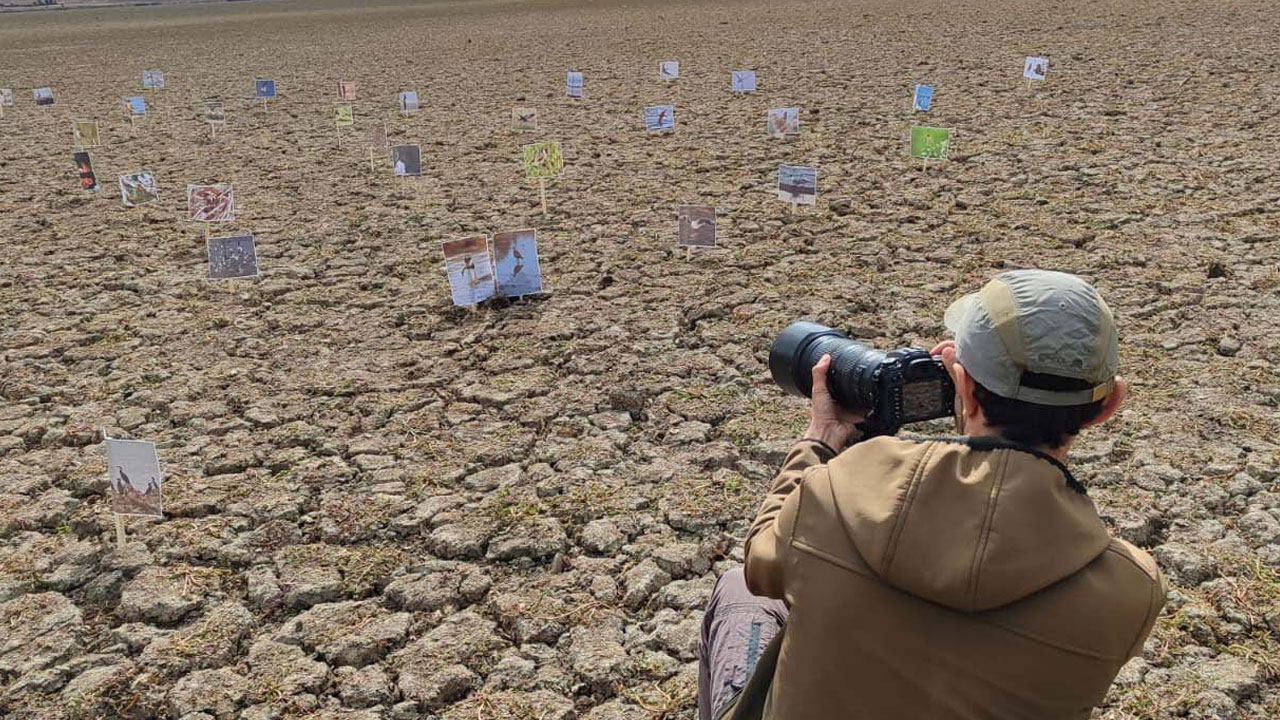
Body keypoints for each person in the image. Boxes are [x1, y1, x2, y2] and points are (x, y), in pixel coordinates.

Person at [698, 270, 1166, 720]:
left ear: (964, 385)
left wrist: (818, 441)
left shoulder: (839, 489)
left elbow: (762, 563)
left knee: (739, 589)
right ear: (1108, 405)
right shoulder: (1130, 590)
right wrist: (978, 417)